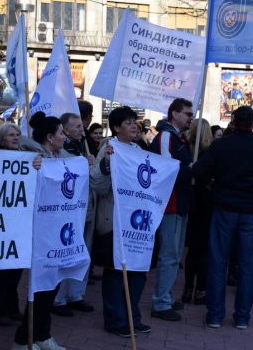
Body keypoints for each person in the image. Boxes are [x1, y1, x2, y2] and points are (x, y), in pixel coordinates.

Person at [192, 106, 253, 329]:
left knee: (218, 261)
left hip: (225, 207)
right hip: (251, 211)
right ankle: (242, 317)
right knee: (248, 264)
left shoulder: (222, 145)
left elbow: (199, 170)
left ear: (234, 122)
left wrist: (212, 183)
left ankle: (215, 315)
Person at [90, 106, 152, 338]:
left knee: (137, 272)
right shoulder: (108, 149)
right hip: (115, 221)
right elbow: (97, 185)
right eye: (128, 122)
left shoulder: (139, 150)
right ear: (116, 127)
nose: (134, 126)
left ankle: (133, 318)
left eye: (134, 122)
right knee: (117, 273)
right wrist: (106, 165)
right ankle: (116, 320)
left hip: (137, 223)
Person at [11, 112, 68, 350]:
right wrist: (31, 171)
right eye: (62, 133)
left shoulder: (63, 157)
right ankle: (23, 339)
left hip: (59, 231)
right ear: (49, 137)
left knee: (52, 284)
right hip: (39, 231)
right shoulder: (28, 159)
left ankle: (42, 334)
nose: (65, 137)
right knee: (40, 285)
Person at [150, 98, 194, 322]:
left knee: (174, 254)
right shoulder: (167, 137)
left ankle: (165, 296)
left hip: (180, 202)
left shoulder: (178, 138)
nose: (190, 117)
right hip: (170, 203)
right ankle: (160, 302)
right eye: (187, 113)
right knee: (169, 254)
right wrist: (193, 169)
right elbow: (168, 171)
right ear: (175, 113)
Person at [52, 112, 95, 317]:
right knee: (65, 252)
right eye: (77, 126)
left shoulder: (81, 145)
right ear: (65, 130)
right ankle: (58, 299)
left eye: (81, 125)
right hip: (68, 212)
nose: (82, 129)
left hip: (84, 208)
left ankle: (75, 294)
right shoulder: (61, 150)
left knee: (81, 253)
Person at [0, 123, 27, 326]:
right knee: (1, 270)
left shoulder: (24, 159)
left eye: (17, 134)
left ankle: (12, 307)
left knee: (16, 268)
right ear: (1, 139)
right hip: (0, 222)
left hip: (19, 222)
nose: (15, 138)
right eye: (11, 135)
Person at [182, 119, 213, 306]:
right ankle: (200, 289)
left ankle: (188, 288)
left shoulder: (186, 149)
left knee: (193, 250)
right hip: (203, 204)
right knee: (202, 251)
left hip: (191, 201)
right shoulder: (208, 153)